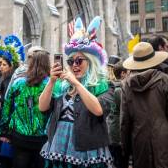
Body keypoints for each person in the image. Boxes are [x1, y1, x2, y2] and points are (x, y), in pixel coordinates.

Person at [39, 17, 113, 168]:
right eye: (71, 61)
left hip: (87, 148)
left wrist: (76, 83)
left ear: (91, 62)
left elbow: (99, 110)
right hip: (58, 144)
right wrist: (52, 81)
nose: (74, 65)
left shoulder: (103, 85)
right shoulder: (62, 85)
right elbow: (42, 107)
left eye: (79, 61)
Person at [121, 42, 168, 168]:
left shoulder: (126, 85)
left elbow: (125, 123)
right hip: (164, 142)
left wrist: (125, 154)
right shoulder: (165, 81)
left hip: (139, 142)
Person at [0, 49, 51, 168]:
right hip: (42, 137)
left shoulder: (18, 83)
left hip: (19, 136)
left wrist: (3, 131)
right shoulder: (51, 84)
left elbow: (7, 109)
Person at [0, 34, 25, 168]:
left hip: (10, 127)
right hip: (3, 122)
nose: (0, 67)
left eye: (4, 64)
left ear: (11, 66)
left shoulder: (13, 81)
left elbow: (10, 104)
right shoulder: (0, 78)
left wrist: (6, 131)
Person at [107, 62, 129, 168]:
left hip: (111, 130)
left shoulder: (112, 86)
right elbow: (124, 111)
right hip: (117, 132)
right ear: (123, 74)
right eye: (128, 72)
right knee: (120, 161)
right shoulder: (119, 90)